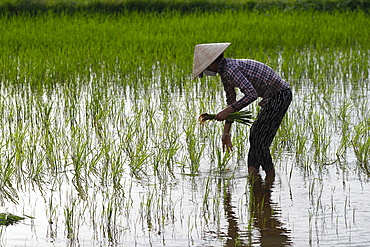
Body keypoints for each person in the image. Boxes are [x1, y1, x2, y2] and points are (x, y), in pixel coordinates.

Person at [192, 43, 292, 177]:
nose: (206, 71)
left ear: (212, 63)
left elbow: (251, 94)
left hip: (279, 95)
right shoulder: (225, 71)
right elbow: (231, 102)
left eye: (205, 68)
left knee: (259, 140)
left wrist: (227, 111)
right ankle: (253, 176)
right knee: (255, 135)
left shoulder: (230, 69)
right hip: (272, 96)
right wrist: (226, 132)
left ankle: (270, 177)